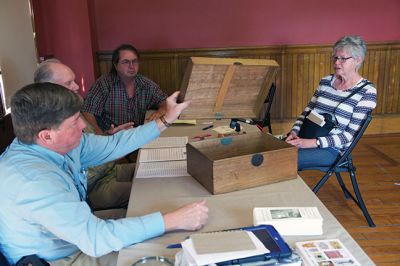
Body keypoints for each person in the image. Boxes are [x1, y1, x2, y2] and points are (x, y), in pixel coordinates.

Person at [0, 82, 208, 265]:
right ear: (46, 136)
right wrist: (172, 221)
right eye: (74, 121)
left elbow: (114, 144)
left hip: (73, 237)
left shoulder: (54, 144)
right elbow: (95, 239)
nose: (83, 125)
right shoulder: (33, 182)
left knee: (151, 214)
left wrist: (165, 120)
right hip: (59, 258)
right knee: (162, 255)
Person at [34, 59, 135, 211]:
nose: (76, 86)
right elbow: (83, 176)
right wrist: (113, 148)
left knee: (153, 173)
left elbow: (90, 143)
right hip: (95, 188)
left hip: (109, 171)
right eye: (69, 83)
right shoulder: (50, 126)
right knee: (146, 191)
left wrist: (109, 136)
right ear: (49, 88)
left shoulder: (70, 107)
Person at [285, 35, 377, 170]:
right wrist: (294, 132)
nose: (336, 63)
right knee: (270, 154)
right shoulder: (326, 81)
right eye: (335, 57)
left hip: (332, 149)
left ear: (358, 60)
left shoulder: (367, 92)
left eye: (343, 59)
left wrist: (311, 143)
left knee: (283, 161)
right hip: (305, 136)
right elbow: (306, 113)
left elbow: (349, 135)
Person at [81, 44, 168, 135]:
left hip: (138, 137)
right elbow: (88, 111)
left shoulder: (145, 84)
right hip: (111, 138)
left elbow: (164, 101)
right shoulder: (103, 84)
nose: (131, 66)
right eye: (126, 62)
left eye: (134, 61)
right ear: (115, 65)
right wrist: (98, 133)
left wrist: (161, 110)